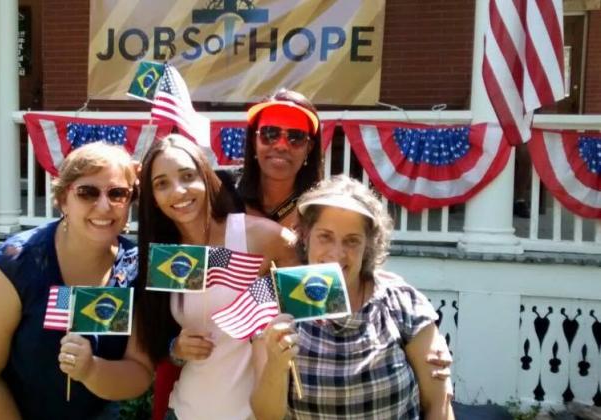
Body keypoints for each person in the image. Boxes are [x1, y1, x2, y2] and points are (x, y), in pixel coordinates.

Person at [0, 143, 153, 419]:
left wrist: (90, 370)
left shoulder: (136, 268)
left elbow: (139, 371)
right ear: (62, 199)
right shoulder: (17, 262)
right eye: (87, 192)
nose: (104, 206)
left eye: (118, 193)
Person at [252, 175, 455, 419]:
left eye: (352, 241)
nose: (337, 253)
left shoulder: (402, 302)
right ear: (305, 236)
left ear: (368, 245)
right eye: (325, 236)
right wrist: (276, 363)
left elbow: (439, 405)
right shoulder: (278, 302)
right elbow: (266, 416)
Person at [135, 134, 298, 420]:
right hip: (183, 411)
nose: (178, 191)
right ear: (152, 197)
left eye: (187, 176)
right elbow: (156, 341)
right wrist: (177, 348)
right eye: (162, 184)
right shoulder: (163, 256)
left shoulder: (261, 237)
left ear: (206, 176)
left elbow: (308, 308)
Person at [238, 88, 324, 229]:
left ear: (309, 148)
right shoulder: (225, 202)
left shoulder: (322, 211)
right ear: (254, 141)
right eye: (270, 133)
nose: (281, 146)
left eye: (296, 137)